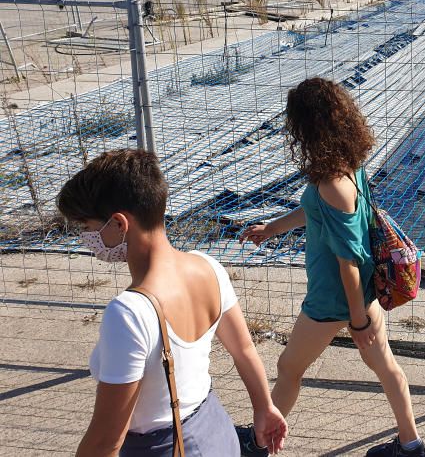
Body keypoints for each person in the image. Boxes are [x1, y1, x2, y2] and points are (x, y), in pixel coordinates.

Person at [237, 78, 425, 457]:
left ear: (308, 129)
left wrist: (357, 322)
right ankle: (411, 446)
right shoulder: (349, 167)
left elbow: (349, 263)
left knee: (289, 367)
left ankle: (260, 444)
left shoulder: (330, 184)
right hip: (364, 296)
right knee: (387, 367)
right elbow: (314, 213)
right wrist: (271, 229)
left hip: (333, 301)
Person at [59, 149, 287, 457]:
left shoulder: (129, 313)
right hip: (217, 434)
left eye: (87, 226)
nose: (86, 236)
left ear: (118, 223)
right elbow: (244, 349)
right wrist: (264, 407)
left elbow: (105, 442)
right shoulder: (208, 267)